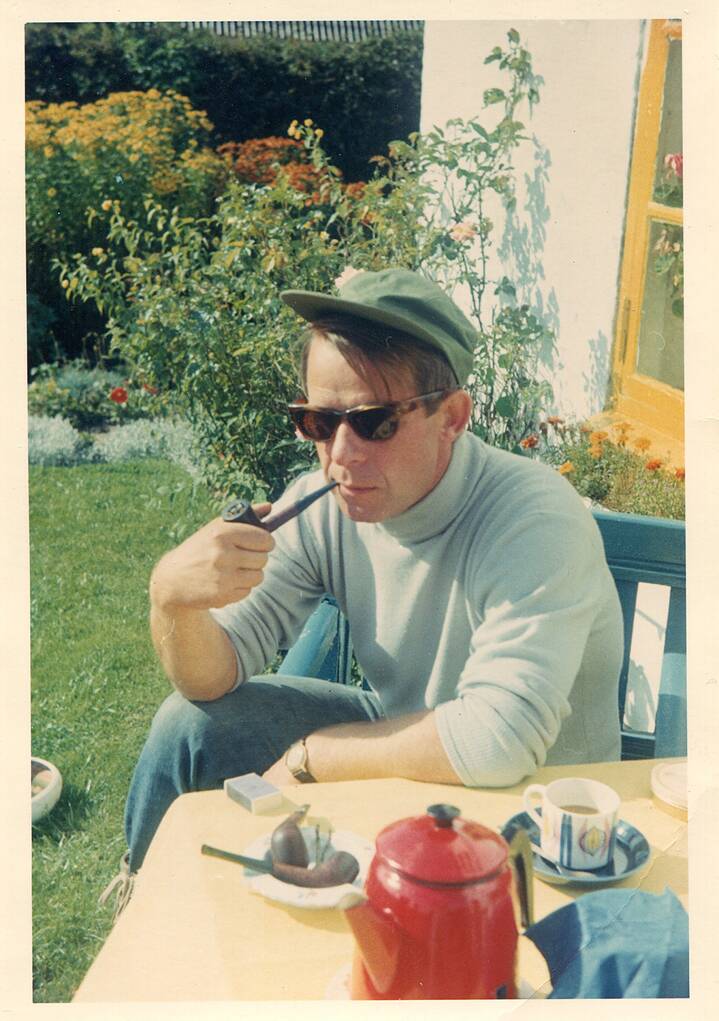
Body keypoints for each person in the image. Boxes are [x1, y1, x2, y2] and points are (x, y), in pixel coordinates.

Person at [102, 267, 623, 910]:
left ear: (452, 416)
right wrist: (173, 600)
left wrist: (309, 755)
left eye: (373, 422)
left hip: (540, 815)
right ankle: (153, 916)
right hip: (418, 745)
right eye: (318, 420)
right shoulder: (323, 507)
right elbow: (213, 678)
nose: (340, 455)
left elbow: (499, 741)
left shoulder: (533, 517)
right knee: (190, 725)